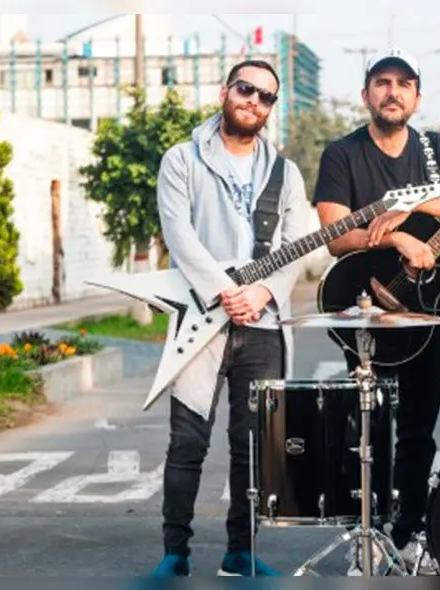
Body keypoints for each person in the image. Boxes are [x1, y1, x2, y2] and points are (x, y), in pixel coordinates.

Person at [312, 48, 440, 573]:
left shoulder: (438, 149)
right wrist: (399, 238)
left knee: (419, 428)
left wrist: (413, 210)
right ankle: (370, 532)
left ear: (417, 98)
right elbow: (335, 234)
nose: (393, 91)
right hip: (367, 303)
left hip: (429, 306)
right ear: (366, 95)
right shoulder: (343, 153)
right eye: (382, 83)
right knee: (371, 423)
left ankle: (411, 532)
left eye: (404, 84)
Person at [150, 59, 310, 577]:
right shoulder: (183, 159)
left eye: (266, 97)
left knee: (252, 446)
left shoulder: (285, 173)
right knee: (188, 441)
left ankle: (240, 554)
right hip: (201, 319)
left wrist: (262, 290)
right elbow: (179, 235)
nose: (254, 102)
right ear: (226, 92)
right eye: (246, 89)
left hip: (262, 324)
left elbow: (294, 248)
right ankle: (175, 554)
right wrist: (226, 292)